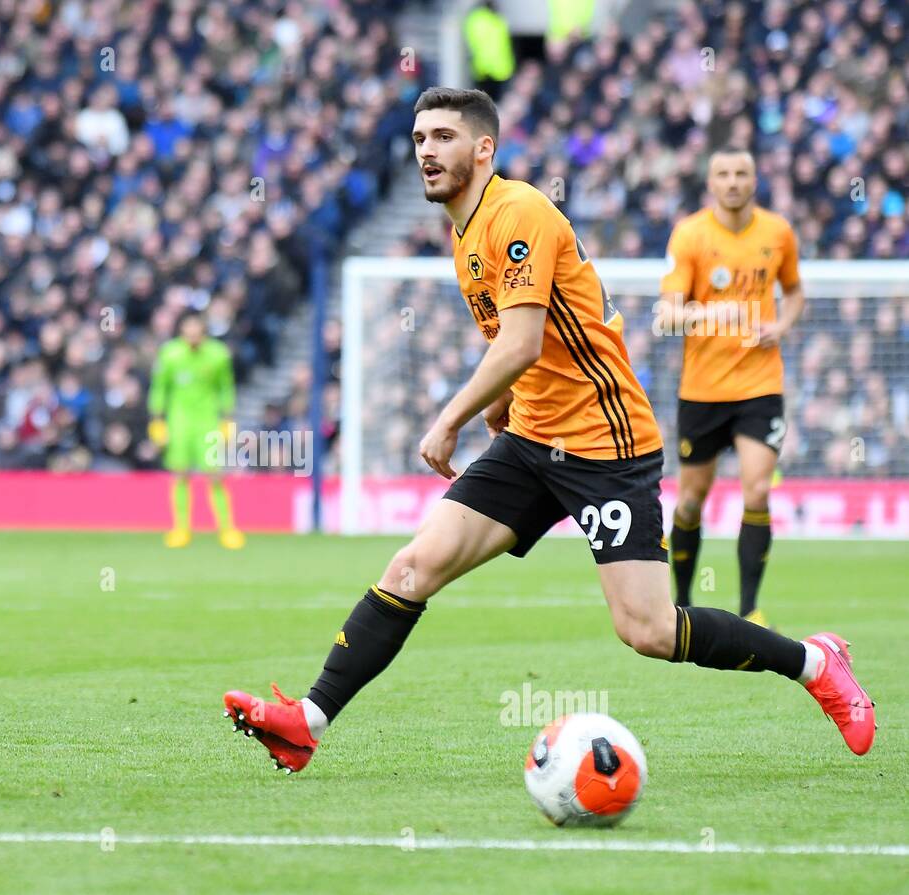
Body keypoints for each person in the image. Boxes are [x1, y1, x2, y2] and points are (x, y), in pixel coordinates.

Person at [223, 87, 875, 774]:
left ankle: (814, 662)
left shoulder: (520, 209)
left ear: (483, 149)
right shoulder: (464, 230)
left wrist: (452, 418)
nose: (426, 152)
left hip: (604, 440)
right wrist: (501, 410)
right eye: (418, 139)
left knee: (648, 630)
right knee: (412, 566)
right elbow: (514, 343)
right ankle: (307, 722)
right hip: (532, 439)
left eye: (443, 137)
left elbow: (523, 342)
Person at [659, 149, 804, 627]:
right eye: (723, 173)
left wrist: (780, 326)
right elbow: (667, 315)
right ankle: (681, 602)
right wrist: (707, 312)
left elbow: (795, 291)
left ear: (755, 179)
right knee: (690, 500)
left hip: (760, 385)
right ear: (711, 182)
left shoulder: (777, 232)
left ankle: (749, 608)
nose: (733, 181)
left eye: (742, 172)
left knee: (758, 490)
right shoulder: (691, 235)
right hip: (702, 390)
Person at [148, 311, 244, 549]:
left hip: (207, 420)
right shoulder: (170, 354)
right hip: (179, 420)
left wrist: (228, 417)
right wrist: (157, 418)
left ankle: (227, 528)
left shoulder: (218, 354)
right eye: (187, 328)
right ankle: (181, 528)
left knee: (215, 474)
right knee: (179, 474)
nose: (192, 333)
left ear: (203, 330)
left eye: (196, 328)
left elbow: (226, 387)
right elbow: (160, 387)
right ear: (181, 330)